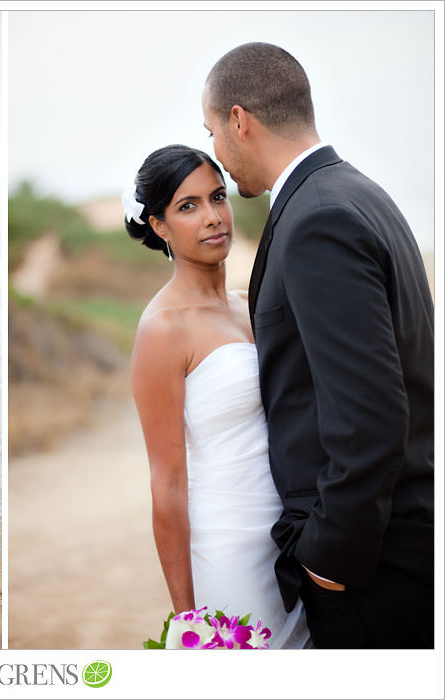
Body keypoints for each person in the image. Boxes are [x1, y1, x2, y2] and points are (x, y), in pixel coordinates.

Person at [201, 42, 433, 648]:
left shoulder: (317, 219)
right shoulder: (360, 194)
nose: (219, 159)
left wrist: (329, 559)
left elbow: (371, 413)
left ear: (239, 120)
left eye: (213, 133)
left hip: (371, 564)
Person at [126, 144, 309, 649]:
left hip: (296, 539)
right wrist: (187, 618)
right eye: (188, 207)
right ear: (159, 225)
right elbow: (166, 483)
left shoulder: (253, 304)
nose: (212, 217)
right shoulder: (163, 329)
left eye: (217, 197)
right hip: (229, 550)